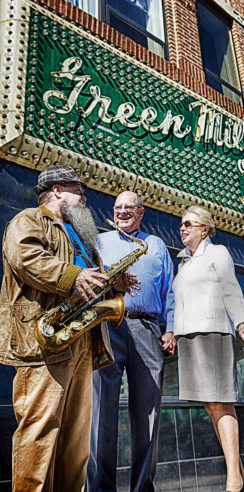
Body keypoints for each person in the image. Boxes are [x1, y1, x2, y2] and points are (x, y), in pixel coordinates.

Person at [0, 164, 138, 492]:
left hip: (81, 341)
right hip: (44, 343)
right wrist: (73, 276)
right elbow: (27, 259)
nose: (84, 197)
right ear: (58, 190)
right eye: (78, 190)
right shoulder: (28, 220)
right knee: (40, 432)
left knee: (76, 443)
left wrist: (112, 284)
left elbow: (89, 283)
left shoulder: (79, 233)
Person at [87, 190, 175, 492]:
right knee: (101, 410)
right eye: (117, 207)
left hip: (148, 329)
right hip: (108, 326)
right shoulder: (100, 241)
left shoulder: (157, 244)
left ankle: (142, 488)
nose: (122, 211)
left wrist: (170, 329)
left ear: (141, 212)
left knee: (148, 413)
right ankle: (100, 488)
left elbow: (170, 292)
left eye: (129, 207)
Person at [172, 205, 244, 492]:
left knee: (221, 403)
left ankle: (233, 481)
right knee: (211, 407)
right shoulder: (183, 263)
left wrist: (242, 323)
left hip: (213, 333)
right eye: (181, 224)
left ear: (204, 229)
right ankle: (242, 478)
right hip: (189, 337)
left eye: (189, 224)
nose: (182, 227)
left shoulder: (218, 253)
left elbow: (231, 288)